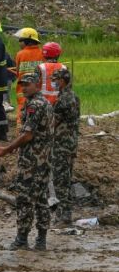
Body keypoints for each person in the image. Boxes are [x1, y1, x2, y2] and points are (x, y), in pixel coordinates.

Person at [0, 73, 54, 251]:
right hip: (44, 159)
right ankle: (41, 239)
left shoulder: (35, 105)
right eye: (22, 85)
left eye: (27, 84)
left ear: (37, 85)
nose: (24, 88)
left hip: (32, 161)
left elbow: (27, 134)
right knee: (42, 198)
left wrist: (7, 149)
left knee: (25, 199)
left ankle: (22, 238)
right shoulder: (46, 103)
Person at [50, 67, 80, 225]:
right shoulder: (73, 96)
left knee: (60, 180)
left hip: (62, 145)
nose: (53, 83)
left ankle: (64, 216)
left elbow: (53, 123)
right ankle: (65, 214)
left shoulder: (64, 99)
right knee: (65, 178)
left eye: (55, 80)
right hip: (70, 144)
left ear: (62, 81)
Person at [11, 28, 44, 126]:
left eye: (20, 40)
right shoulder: (42, 53)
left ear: (27, 41)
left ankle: (20, 133)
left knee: (22, 112)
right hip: (38, 89)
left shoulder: (20, 54)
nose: (19, 43)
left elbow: (17, 72)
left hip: (23, 90)